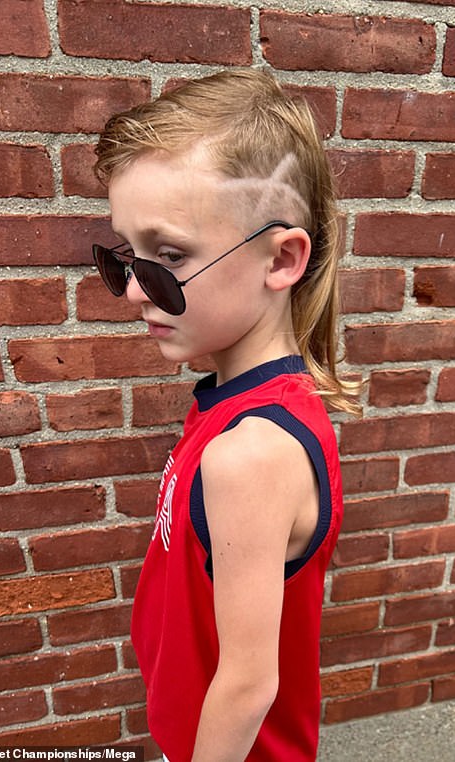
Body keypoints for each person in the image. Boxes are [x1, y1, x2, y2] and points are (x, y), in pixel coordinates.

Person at [91, 68, 361, 762]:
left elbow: (247, 686)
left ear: (282, 259)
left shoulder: (253, 451)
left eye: (169, 255)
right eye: (124, 256)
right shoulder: (234, 406)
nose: (131, 290)